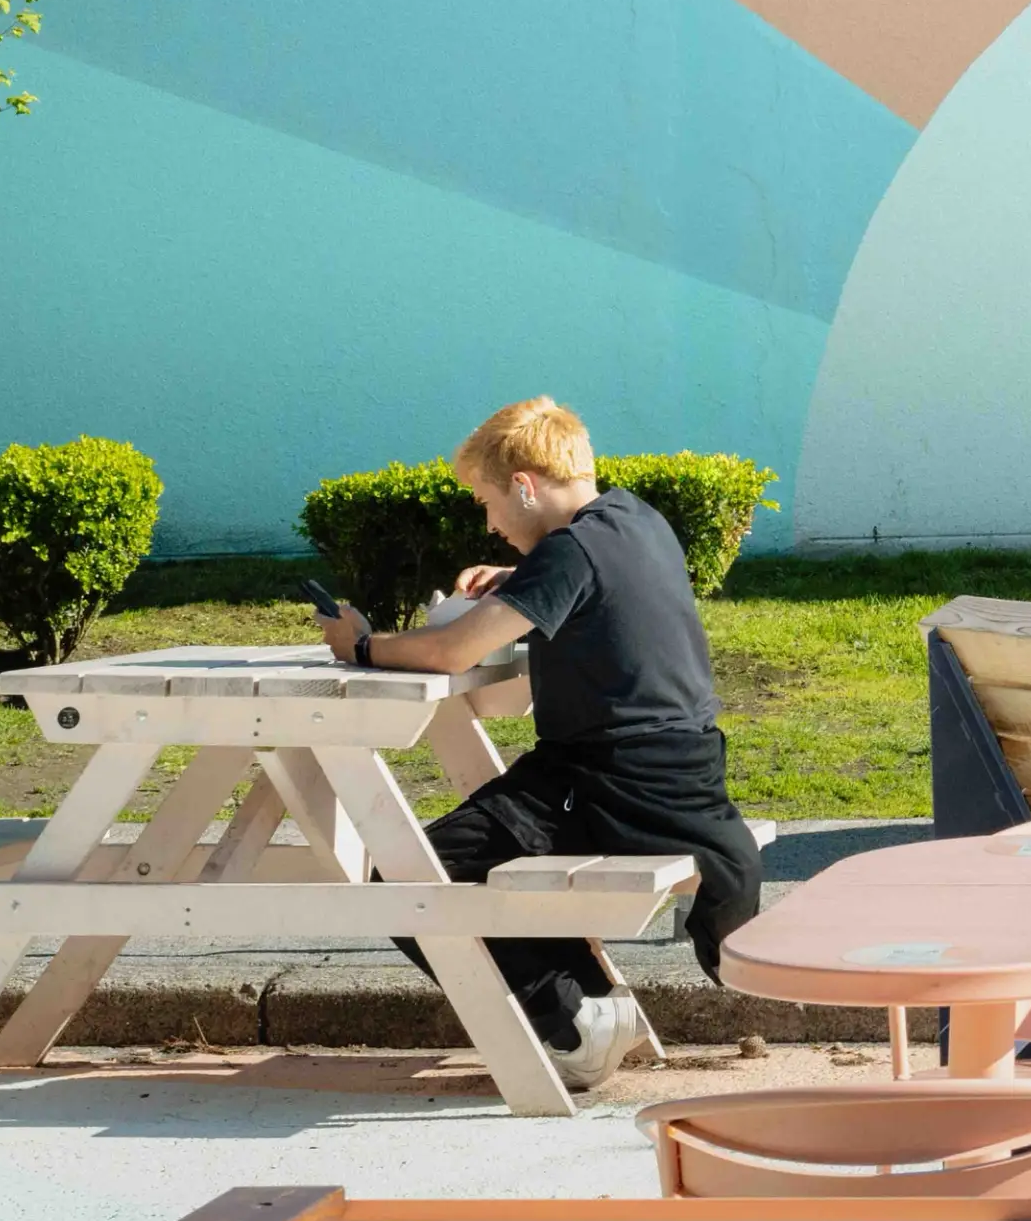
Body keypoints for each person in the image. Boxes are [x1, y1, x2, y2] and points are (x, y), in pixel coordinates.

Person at [314, 397, 763, 1088]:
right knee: (461, 857)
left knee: (407, 881)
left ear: (524, 485)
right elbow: (594, 586)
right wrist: (519, 577)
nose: (489, 523)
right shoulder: (636, 520)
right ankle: (582, 1007)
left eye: (488, 501)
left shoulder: (568, 553)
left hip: (612, 786)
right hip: (681, 772)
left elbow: (453, 649)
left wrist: (363, 644)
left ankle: (570, 1021)